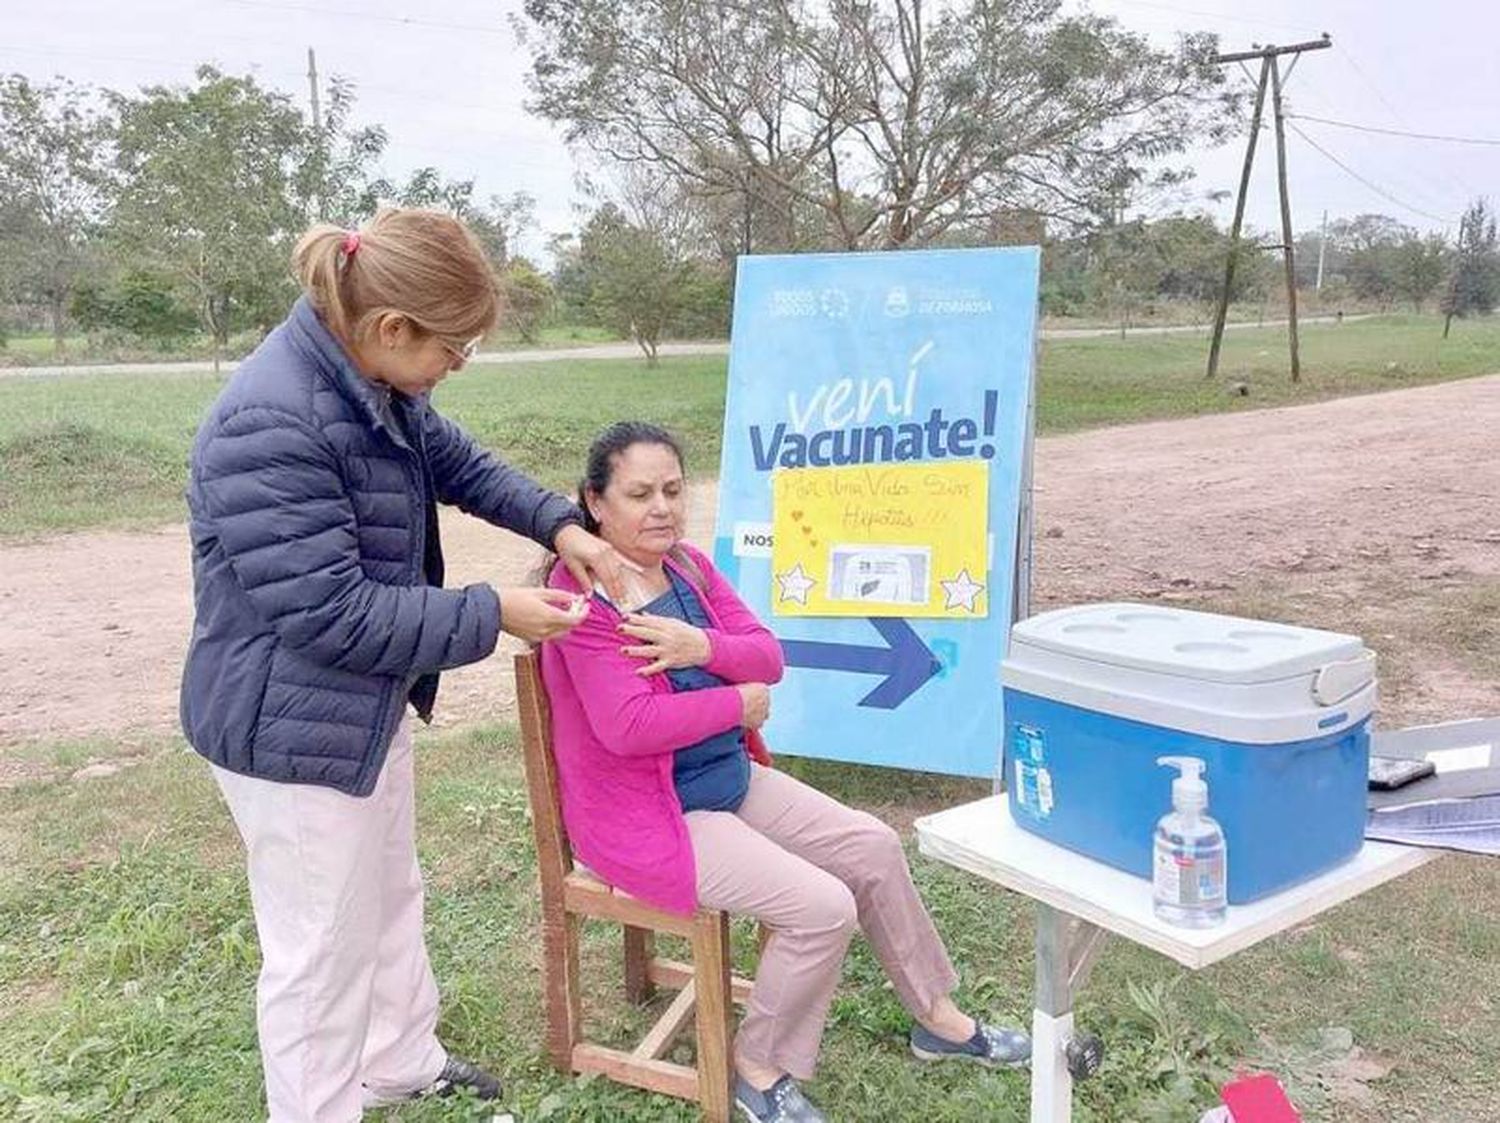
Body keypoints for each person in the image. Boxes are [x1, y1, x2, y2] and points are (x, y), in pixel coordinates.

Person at [180, 208, 629, 1123]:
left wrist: (558, 521)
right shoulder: (271, 420)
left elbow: (456, 461)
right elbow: (328, 611)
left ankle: (398, 1059)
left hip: (357, 707)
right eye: (452, 349)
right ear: (392, 329)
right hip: (289, 730)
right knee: (319, 951)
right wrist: (490, 612)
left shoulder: (365, 380)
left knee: (386, 890)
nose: (453, 369)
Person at [539, 422, 1030, 1123]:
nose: (661, 509)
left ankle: (937, 1018)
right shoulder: (580, 596)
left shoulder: (688, 569)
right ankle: (757, 1066)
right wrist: (734, 700)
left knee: (873, 846)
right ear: (595, 502)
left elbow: (767, 655)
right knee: (821, 907)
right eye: (639, 493)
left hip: (726, 779)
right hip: (654, 814)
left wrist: (699, 643)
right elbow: (628, 726)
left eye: (673, 490)